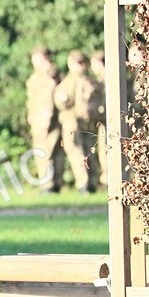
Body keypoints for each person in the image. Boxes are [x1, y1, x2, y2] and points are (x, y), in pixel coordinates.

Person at [54, 49, 101, 193]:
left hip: (79, 123)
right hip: (80, 122)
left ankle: (86, 184)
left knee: (81, 152)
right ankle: (89, 183)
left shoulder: (77, 81)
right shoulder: (87, 81)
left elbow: (61, 101)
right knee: (83, 152)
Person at [26, 46, 65, 191]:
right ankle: (56, 183)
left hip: (44, 120)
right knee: (55, 152)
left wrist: (44, 121)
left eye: (35, 58)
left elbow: (47, 100)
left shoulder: (47, 76)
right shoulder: (51, 74)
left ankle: (48, 185)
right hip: (49, 119)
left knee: (44, 152)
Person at [89, 50, 108, 186]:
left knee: (105, 149)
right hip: (103, 120)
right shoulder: (101, 79)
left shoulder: (106, 79)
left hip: (107, 121)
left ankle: (108, 177)